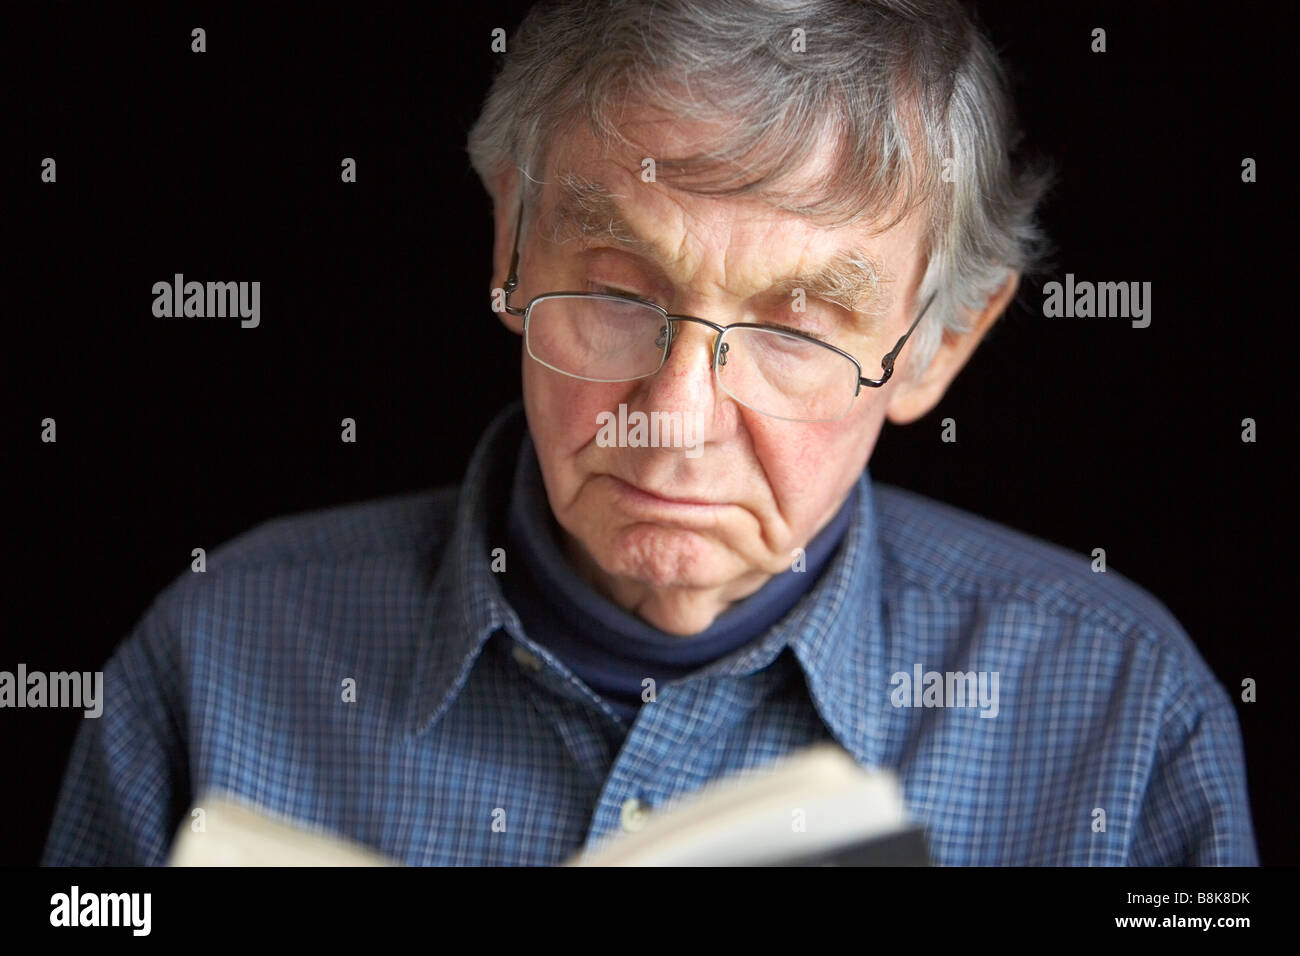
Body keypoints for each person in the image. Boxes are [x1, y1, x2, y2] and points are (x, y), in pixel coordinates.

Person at [44, 0, 1256, 866]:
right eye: (621, 293)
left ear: (937, 346)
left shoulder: (1125, 712)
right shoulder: (210, 659)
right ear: (510, 243)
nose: (671, 416)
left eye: (796, 328)